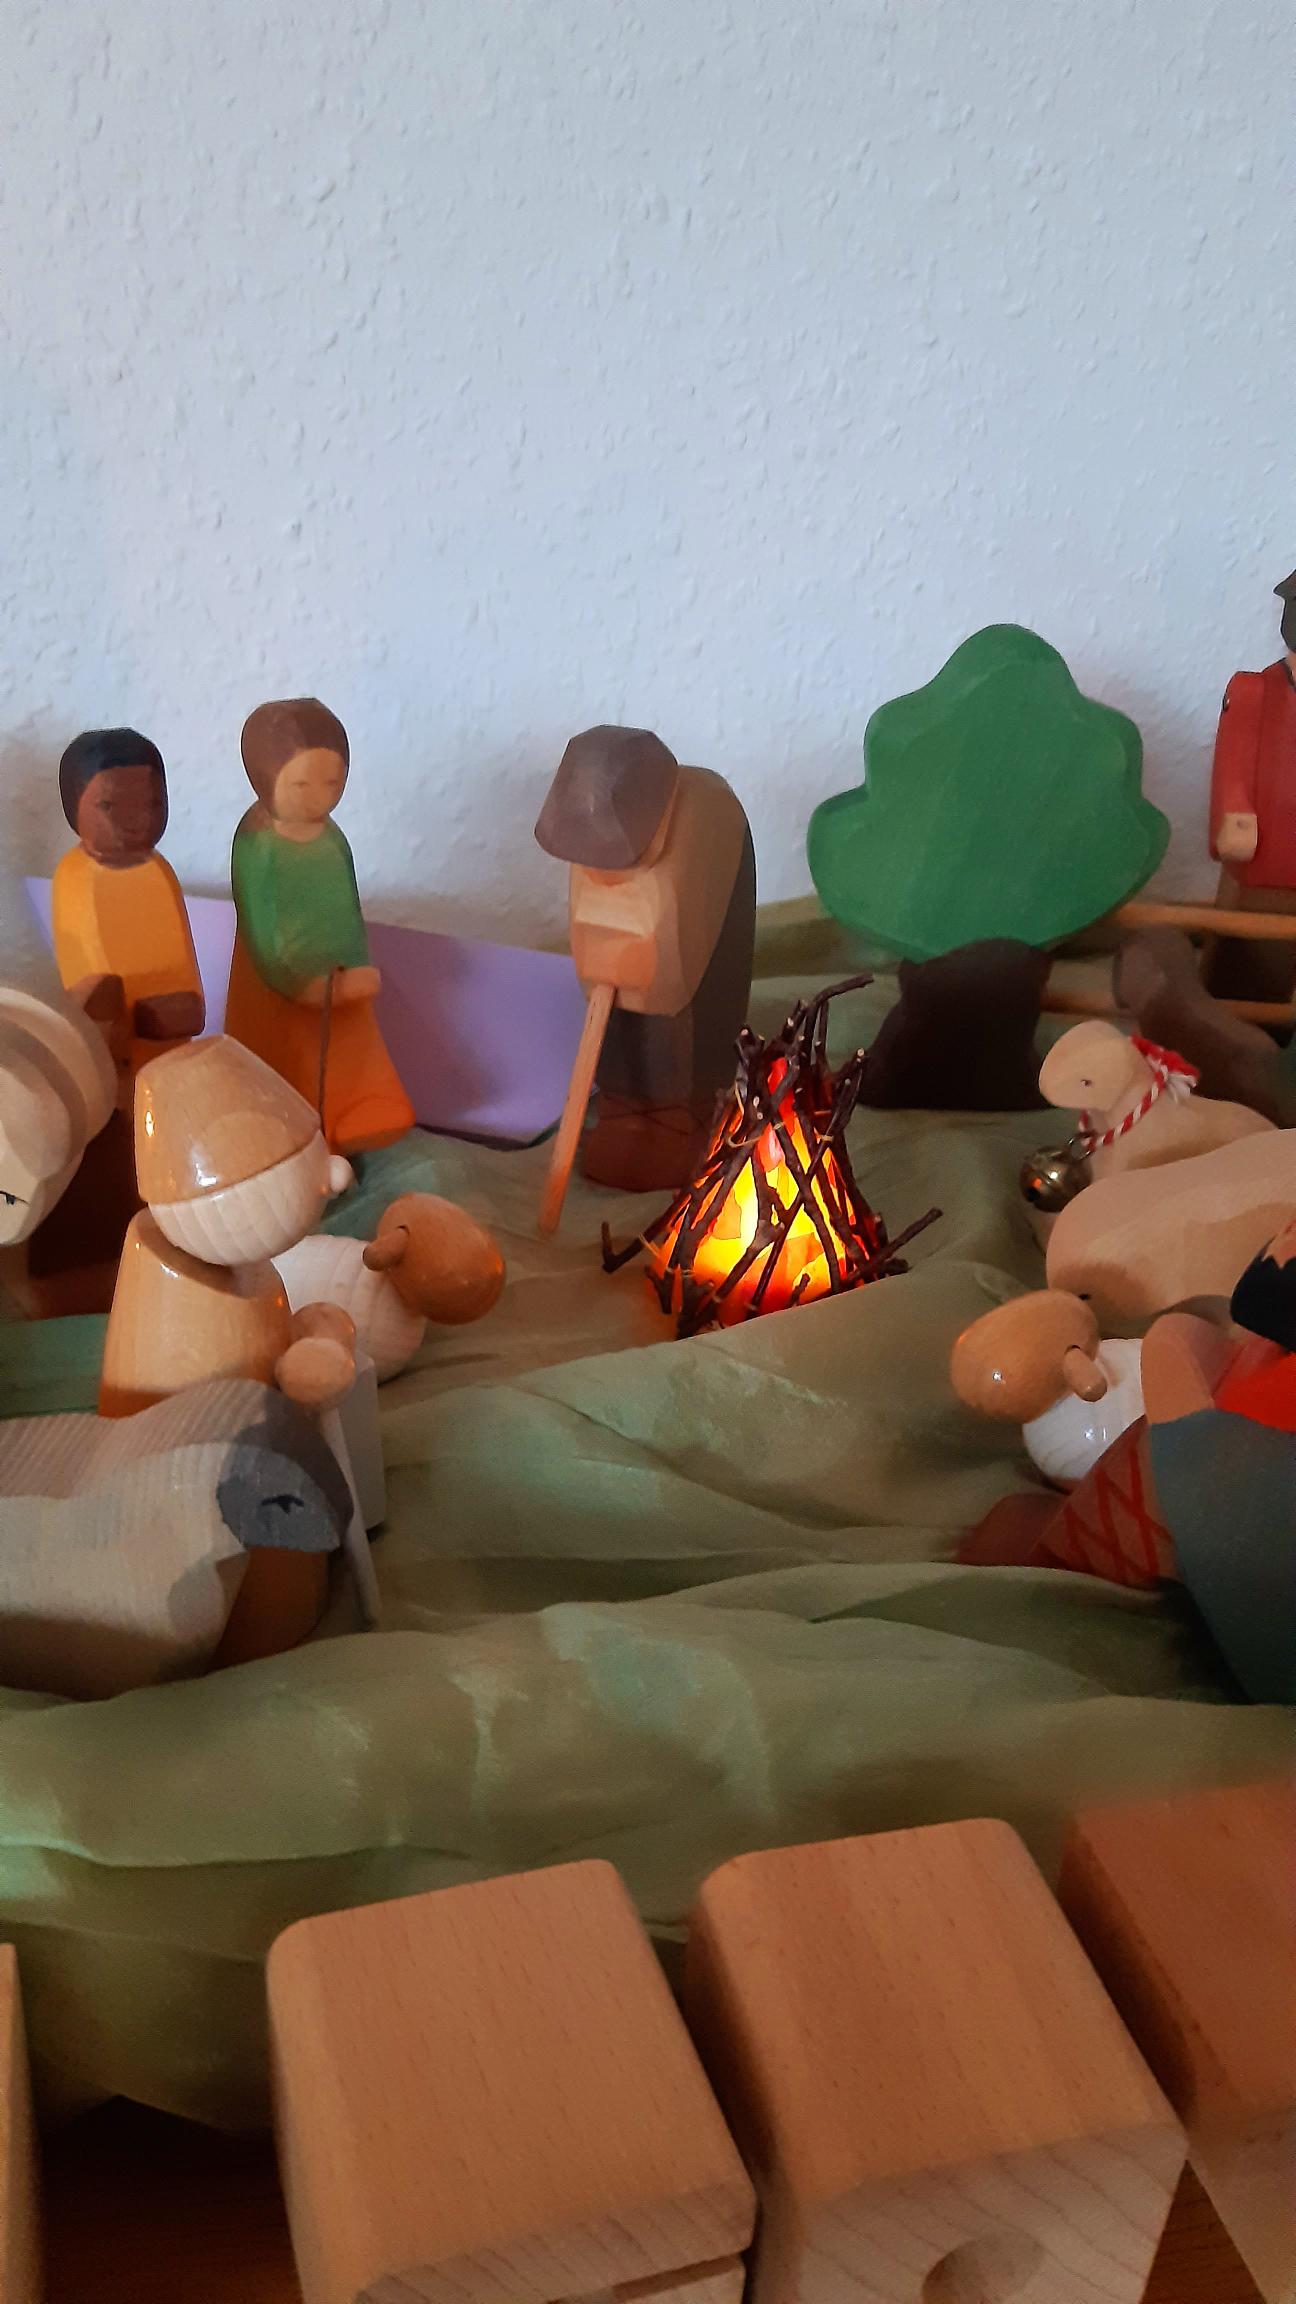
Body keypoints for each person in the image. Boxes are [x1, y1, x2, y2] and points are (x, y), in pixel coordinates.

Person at [224, 698, 414, 1154]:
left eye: (334, 782)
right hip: (278, 986)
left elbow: (349, 909)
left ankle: (353, 1130)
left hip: (340, 978)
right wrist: (299, 985)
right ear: (264, 779)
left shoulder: (332, 838)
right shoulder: (259, 846)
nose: (321, 796)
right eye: (302, 783)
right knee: (287, 1079)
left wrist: (358, 965)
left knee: (352, 1066)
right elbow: (263, 931)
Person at [51, 727, 204, 1069]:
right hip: (114, 1051)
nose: (137, 819)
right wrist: (120, 1017)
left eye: (152, 803)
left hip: (173, 1037)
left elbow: (180, 954)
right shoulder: (76, 877)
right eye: (108, 805)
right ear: (73, 806)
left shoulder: (159, 871)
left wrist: (189, 1001)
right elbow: (87, 978)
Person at [1208, 569, 1296, 1001]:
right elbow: (1235, 759)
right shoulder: (1254, 691)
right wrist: (1236, 813)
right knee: (1255, 971)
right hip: (1272, 857)